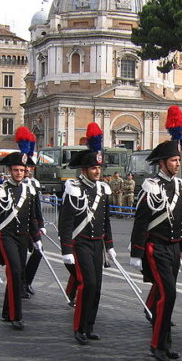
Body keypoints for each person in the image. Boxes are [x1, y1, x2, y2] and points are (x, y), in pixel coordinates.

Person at [129, 105, 182, 361]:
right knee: (168, 294)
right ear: (162, 163)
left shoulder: (178, 185)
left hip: (174, 247)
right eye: (174, 160)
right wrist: (136, 252)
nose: (178, 164)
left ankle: (166, 343)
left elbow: (178, 221)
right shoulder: (151, 187)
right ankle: (157, 344)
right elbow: (141, 222)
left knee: (168, 294)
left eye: (178, 160)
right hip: (157, 247)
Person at [59, 123, 115, 344]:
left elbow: (106, 220)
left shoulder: (102, 189)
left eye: (99, 168)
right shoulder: (74, 188)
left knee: (97, 287)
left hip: (97, 245)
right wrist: (66, 250)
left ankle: (90, 325)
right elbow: (66, 222)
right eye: (93, 168)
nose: (97, 171)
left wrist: (109, 246)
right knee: (87, 284)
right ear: (84, 170)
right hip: (80, 243)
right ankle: (79, 327)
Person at [0, 152, 43, 330]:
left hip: (23, 237)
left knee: (17, 273)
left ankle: (6, 311)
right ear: (9, 171)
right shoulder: (0, 190)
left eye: (22, 170)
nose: (19, 173)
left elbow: (32, 217)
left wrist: (36, 238)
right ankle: (16, 316)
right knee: (15, 271)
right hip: (6, 235)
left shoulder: (29, 191)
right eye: (16, 170)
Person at [23, 165, 45, 297]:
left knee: (38, 252)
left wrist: (41, 224)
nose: (26, 171)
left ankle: (27, 281)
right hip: (18, 226)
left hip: (33, 224)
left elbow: (37, 205)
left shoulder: (33, 184)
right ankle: (18, 284)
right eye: (23, 168)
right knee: (19, 258)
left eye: (28, 168)